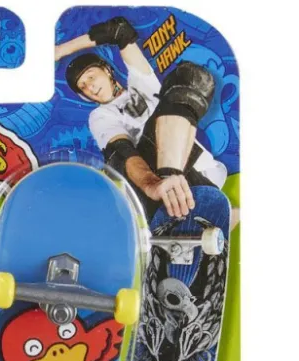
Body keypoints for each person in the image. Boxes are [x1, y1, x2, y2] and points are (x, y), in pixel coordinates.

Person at [56, 16, 227, 219]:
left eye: (91, 76)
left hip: (206, 175)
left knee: (191, 76)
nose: (90, 86)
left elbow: (120, 30)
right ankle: (169, 184)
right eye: (83, 86)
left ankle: (177, 184)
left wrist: (60, 51)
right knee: (119, 155)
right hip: (153, 184)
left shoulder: (142, 83)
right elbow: (123, 151)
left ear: (107, 70)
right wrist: (151, 184)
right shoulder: (100, 116)